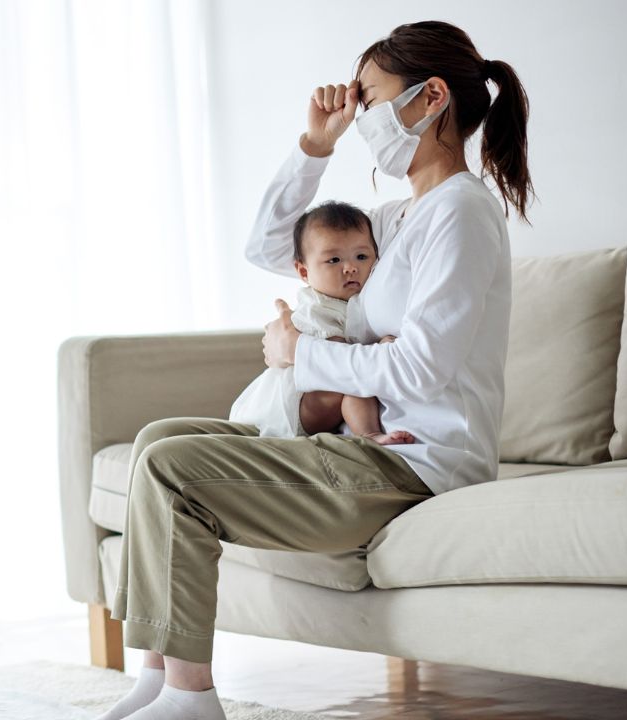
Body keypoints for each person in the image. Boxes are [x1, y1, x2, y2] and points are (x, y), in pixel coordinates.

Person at [95, 20, 533, 720]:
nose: (363, 117)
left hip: (415, 464)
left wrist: (299, 353)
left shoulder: (462, 214)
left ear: (431, 98)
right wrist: (316, 146)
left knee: (173, 467)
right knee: (158, 439)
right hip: (360, 447)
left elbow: (421, 369)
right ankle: (157, 679)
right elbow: (271, 247)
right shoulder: (396, 220)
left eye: (371, 99)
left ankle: (190, 701)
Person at [229, 200, 414, 445]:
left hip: (324, 410)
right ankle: (369, 434)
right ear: (304, 272)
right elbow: (334, 359)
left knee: (356, 382)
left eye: (361, 256)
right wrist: (379, 348)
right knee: (353, 382)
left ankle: (370, 436)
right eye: (334, 260)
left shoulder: (359, 302)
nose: (350, 267)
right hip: (297, 406)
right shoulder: (316, 307)